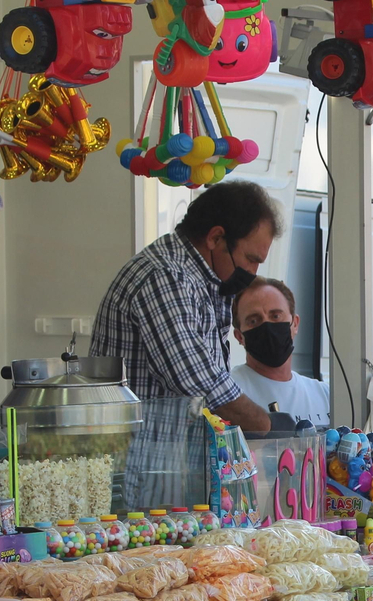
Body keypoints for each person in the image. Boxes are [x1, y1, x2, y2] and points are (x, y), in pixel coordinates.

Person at [91, 180, 280, 433]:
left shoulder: (202, 278)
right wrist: (267, 426)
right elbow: (199, 382)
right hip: (140, 465)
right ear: (215, 238)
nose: (253, 272)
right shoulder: (165, 276)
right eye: (250, 259)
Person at [230, 277, 331, 428]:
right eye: (253, 321)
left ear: (295, 324)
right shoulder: (227, 394)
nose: (267, 326)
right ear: (239, 336)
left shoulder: (325, 395)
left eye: (276, 316)